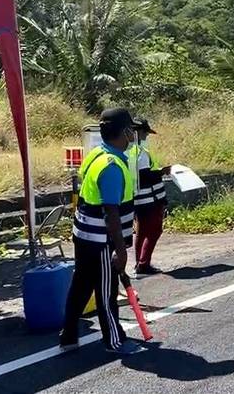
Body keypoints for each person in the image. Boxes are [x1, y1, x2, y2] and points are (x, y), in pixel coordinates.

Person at [60, 108, 143, 355]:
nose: (134, 135)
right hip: (101, 240)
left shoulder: (97, 154)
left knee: (81, 285)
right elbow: (111, 214)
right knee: (106, 291)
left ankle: (69, 335)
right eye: (131, 130)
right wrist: (120, 250)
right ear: (125, 131)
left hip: (84, 234)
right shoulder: (113, 167)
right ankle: (114, 341)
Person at [127, 119, 170, 276]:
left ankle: (139, 262)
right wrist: (162, 172)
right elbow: (144, 176)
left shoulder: (127, 150)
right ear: (138, 132)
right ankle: (143, 264)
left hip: (137, 198)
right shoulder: (140, 152)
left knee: (142, 231)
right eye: (145, 133)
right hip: (150, 198)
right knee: (154, 231)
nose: (146, 136)